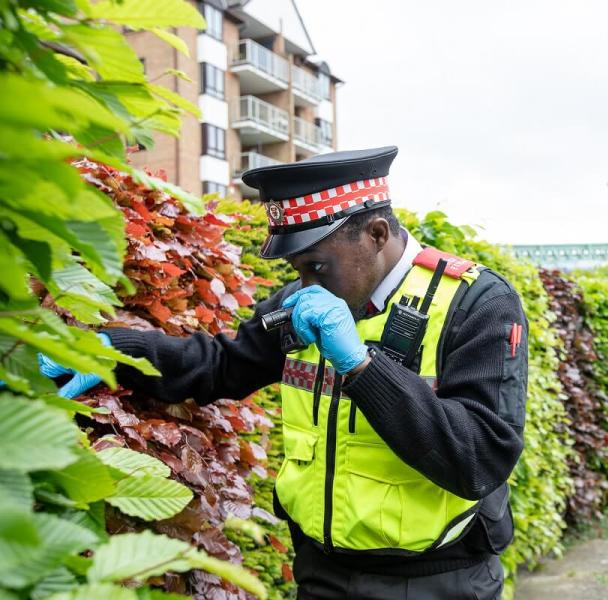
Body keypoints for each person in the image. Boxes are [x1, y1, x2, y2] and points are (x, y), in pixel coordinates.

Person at [40, 147, 528, 599]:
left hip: (436, 580)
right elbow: (219, 366)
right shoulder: (307, 302)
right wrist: (110, 349)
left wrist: (360, 365)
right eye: (297, 268)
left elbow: (479, 459)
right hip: (320, 573)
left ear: (377, 234)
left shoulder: (477, 304)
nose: (304, 284)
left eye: (316, 265)